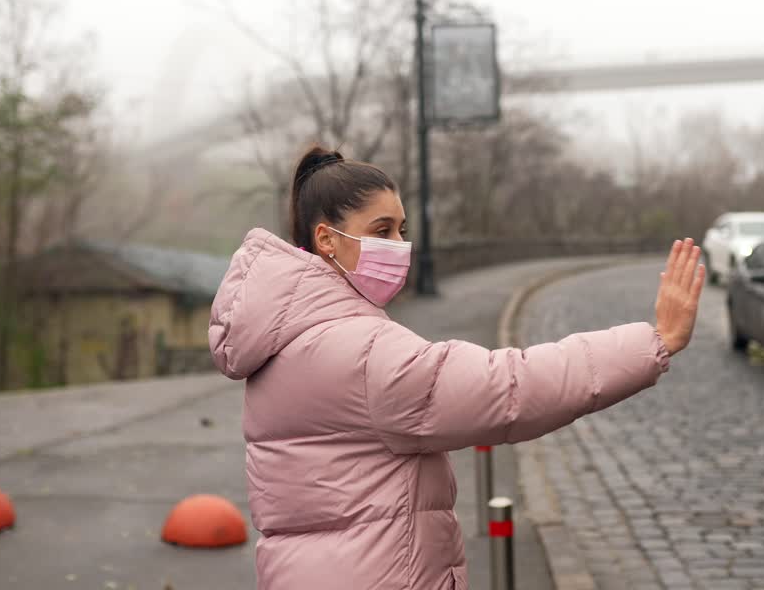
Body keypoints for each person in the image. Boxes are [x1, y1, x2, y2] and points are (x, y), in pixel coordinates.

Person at [209, 145, 706, 590]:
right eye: (381, 231)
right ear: (327, 240)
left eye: (402, 230)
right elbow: (511, 387)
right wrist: (655, 340)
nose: (399, 245)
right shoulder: (360, 352)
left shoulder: (286, 338)